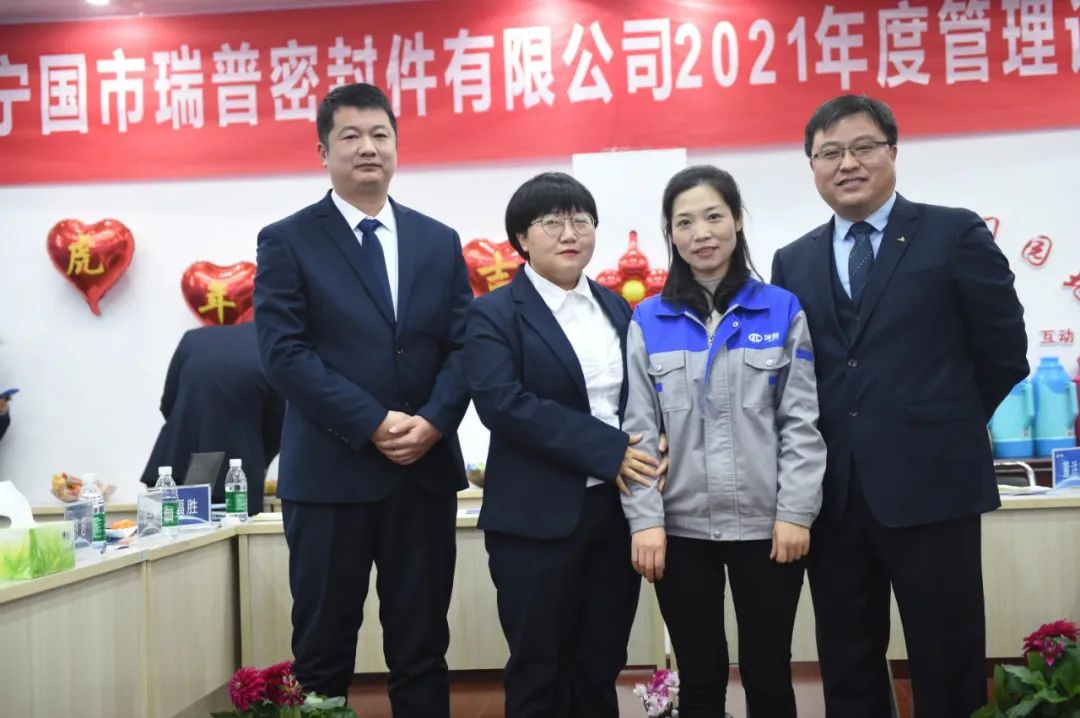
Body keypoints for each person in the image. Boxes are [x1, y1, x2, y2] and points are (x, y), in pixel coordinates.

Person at [771, 94, 1028, 718]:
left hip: (934, 484)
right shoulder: (793, 259)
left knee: (947, 654)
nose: (847, 164)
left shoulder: (953, 232)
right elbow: (793, 376)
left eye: (863, 147)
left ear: (892, 151)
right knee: (847, 656)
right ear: (812, 165)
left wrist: (941, 423)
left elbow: (1003, 351)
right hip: (834, 493)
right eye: (830, 153)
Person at [253, 83, 472, 715]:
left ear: (397, 146)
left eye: (380, 134)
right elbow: (283, 354)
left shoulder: (437, 239)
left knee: (422, 646)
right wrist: (373, 421)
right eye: (350, 136)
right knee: (322, 651)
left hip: (422, 474)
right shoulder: (288, 239)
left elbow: (465, 347)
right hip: (331, 476)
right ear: (323, 152)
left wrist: (434, 421)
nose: (368, 147)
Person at [622, 165, 825, 718]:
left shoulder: (782, 309)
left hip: (768, 527)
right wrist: (645, 521)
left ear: (737, 220)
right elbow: (637, 432)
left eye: (713, 216)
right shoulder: (648, 319)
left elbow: (801, 422)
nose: (701, 233)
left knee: (769, 674)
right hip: (680, 530)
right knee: (701, 678)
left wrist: (796, 513)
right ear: (671, 234)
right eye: (684, 222)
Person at [465, 172, 660, 718]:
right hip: (535, 521)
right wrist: (608, 449)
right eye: (551, 222)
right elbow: (503, 403)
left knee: (600, 665)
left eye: (580, 221)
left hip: (613, 514)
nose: (569, 233)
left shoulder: (617, 308)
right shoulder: (493, 313)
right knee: (539, 669)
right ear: (521, 239)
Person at [139, 322, 283, 513]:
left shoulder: (192, 339)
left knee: (163, 530)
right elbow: (278, 422)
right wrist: (256, 457)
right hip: (234, 479)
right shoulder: (270, 345)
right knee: (234, 533)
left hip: (173, 469)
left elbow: (168, 404)